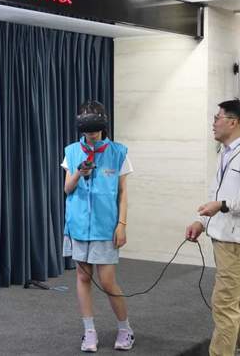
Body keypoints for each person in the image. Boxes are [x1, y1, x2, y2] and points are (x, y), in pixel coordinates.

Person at [185, 99, 240, 356]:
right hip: (226, 240)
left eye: (217, 118)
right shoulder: (227, 152)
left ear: (233, 122)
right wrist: (202, 222)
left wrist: (223, 205)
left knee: (223, 303)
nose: (213, 123)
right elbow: (218, 194)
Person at [62, 101, 134, 352]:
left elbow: (123, 193)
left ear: (103, 125)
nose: (91, 134)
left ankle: (125, 329)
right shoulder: (72, 151)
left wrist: (121, 224)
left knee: (107, 281)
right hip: (78, 225)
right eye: (86, 130)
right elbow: (67, 189)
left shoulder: (118, 153)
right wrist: (78, 173)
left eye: (94, 129)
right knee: (83, 277)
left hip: (106, 226)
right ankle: (89, 332)